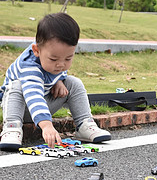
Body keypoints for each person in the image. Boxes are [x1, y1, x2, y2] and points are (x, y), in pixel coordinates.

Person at [0, 12, 111, 151]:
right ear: (36, 50)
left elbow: (59, 69)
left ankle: (84, 125)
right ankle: (11, 128)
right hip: (20, 108)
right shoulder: (29, 67)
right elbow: (33, 95)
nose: (61, 65)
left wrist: (59, 80)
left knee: (73, 83)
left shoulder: (56, 61)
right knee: (17, 85)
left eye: (68, 59)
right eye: (54, 59)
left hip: (44, 105)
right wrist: (47, 126)